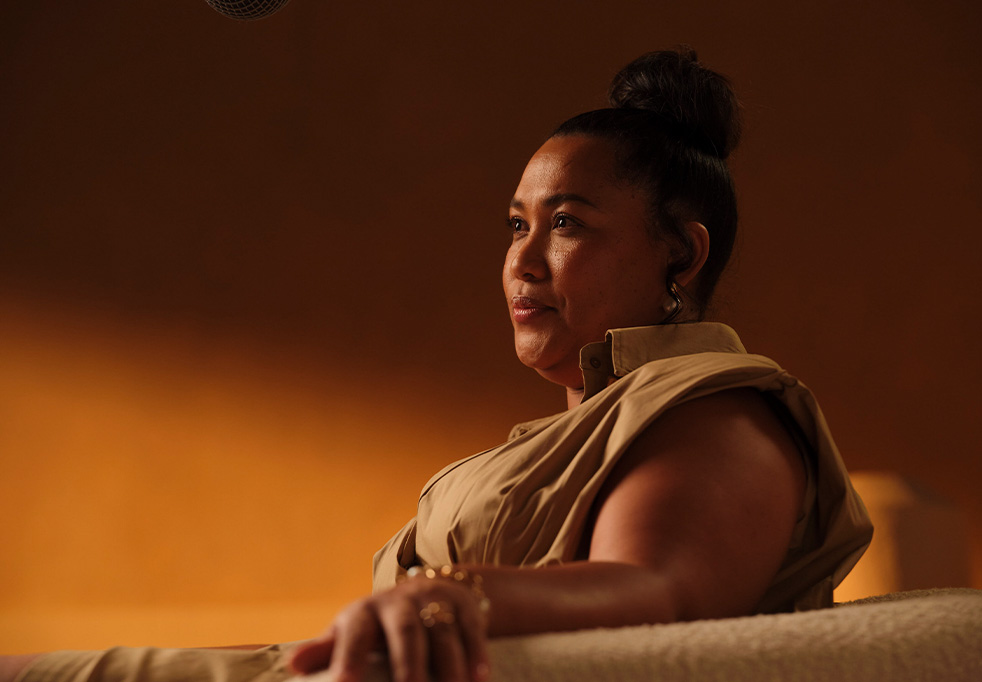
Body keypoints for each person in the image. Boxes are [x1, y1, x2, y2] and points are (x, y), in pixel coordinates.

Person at [5, 48, 872, 682]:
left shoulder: (718, 409)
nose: (523, 262)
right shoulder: (578, 430)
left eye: (566, 223)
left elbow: (660, 590)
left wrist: (457, 594)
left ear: (680, 258)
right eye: (516, 225)